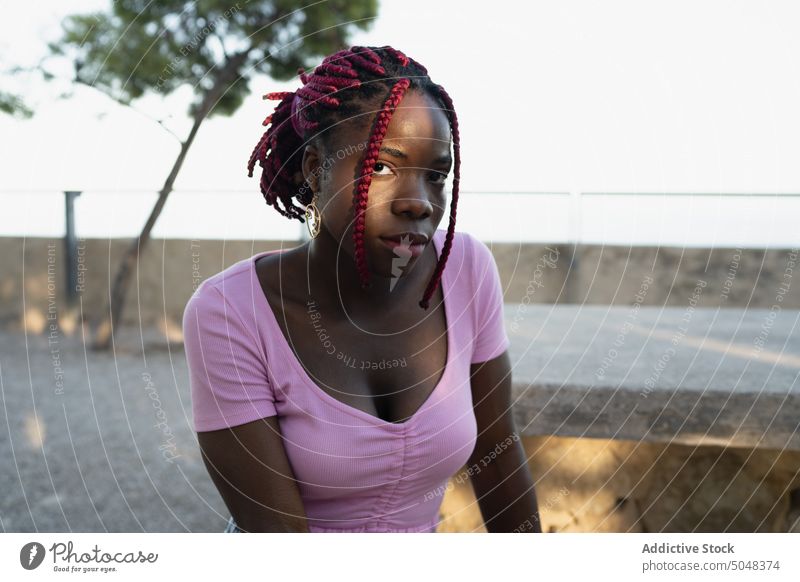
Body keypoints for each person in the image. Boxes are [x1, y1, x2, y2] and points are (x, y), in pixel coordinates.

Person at [182, 45, 541, 533]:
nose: (418, 203)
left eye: (436, 175)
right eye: (381, 167)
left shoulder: (465, 268)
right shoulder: (230, 312)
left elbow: (498, 455)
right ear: (315, 169)